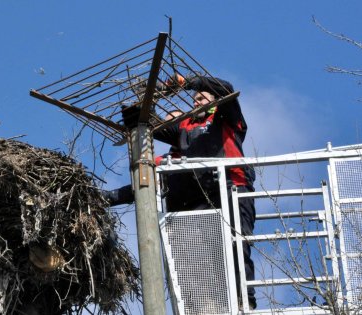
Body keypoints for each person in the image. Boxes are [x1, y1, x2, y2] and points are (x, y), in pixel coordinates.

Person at [104, 75, 257, 309]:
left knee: (235, 243)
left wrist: (186, 82)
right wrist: (146, 100)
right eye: (193, 99)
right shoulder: (184, 131)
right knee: (195, 254)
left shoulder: (226, 119)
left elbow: (225, 89)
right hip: (198, 198)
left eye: (202, 97)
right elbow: (148, 124)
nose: (196, 101)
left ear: (215, 102)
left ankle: (242, 299)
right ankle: (203, 303)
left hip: (231, 188)